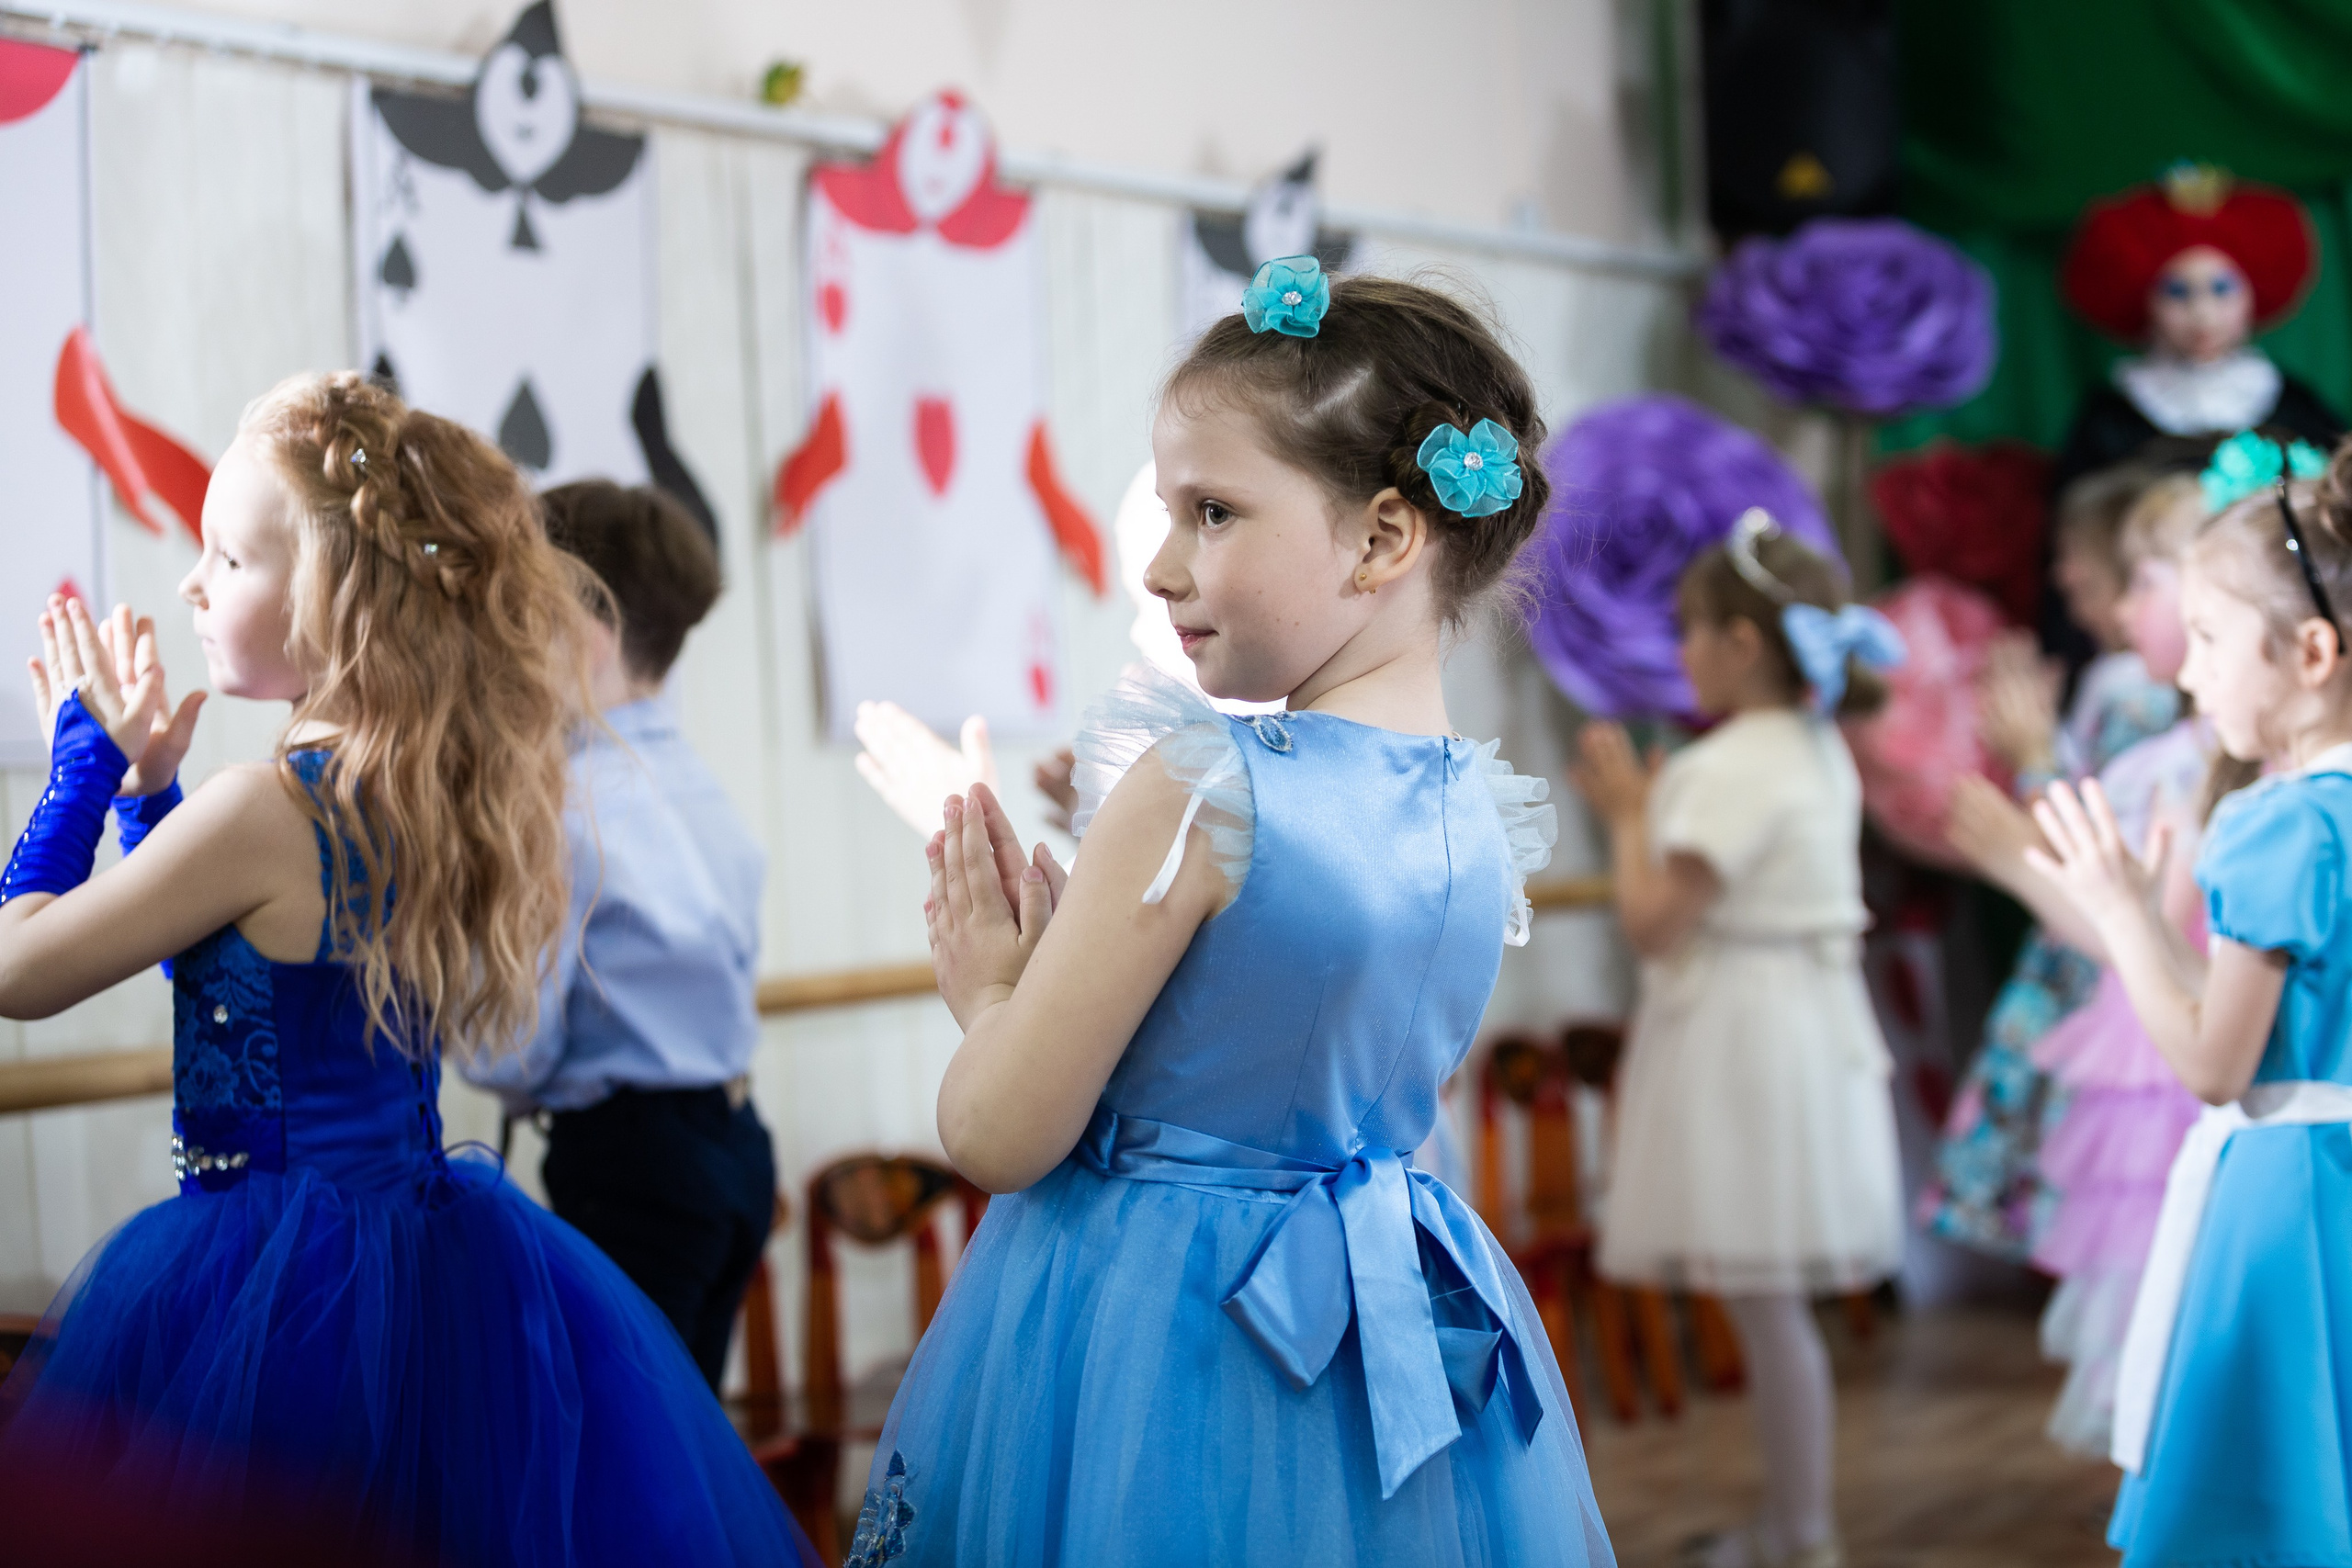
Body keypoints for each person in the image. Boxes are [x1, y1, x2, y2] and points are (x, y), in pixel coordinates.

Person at [847, 264, 1613, 1566]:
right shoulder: (1474, 811)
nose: (1156, 567)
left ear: (1381, 539)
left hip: (1162, 1332)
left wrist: (989, 987)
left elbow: (999, 1131)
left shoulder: (1203, 787)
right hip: (1371, 1338)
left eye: (1210, 513)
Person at [0, 374, 817, 1567]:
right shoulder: (417, 793)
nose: (190, 581)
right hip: (425, 1253)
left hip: (280, 1275)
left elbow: (19, 969)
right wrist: (150, 800)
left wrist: (80, 763)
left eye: (227, 559)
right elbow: (242, 974)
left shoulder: (258, 811)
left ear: (332, 598)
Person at [2032, 434, 2352, 1564]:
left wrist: (2120, 915)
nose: (2186, 673)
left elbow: (2219, 1067)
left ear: (2310, 652)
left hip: (2284, 1202)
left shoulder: (2282, 822)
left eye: (2211, 640)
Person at [1572, 510, 1906, 1568]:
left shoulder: (1729, 766)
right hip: (1801, 1026)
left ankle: (1801, 1533)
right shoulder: (1813, 746)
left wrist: (1627, 812)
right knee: (1772, 1313)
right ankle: (1792, 1524)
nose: (1678, 653)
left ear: (1742, 645)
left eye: (1688, 629)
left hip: (1751, 1042)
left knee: (1768, 1311)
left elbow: (1653, 921)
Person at [460, 479, 774, 1393]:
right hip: (736, 1144)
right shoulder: (698, 788)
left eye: (520, 618)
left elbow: (510, 1054)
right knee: (687, 1437)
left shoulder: (560, 808)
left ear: (581, 630)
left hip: (633, 1171)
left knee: (624, 1459)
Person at [1944, 463, 2225, 1454]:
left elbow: (2130, 924)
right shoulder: (2169, 757)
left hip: (2174, 1058)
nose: (2124, 598)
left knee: (2181, 1316)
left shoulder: (2197, 770)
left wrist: (2019, 868)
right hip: (2148, 1032)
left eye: (2147, 578)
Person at [1919, 464, 2181, 1261]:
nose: (2063, 575)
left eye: (2082, 562)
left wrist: (2035, 756)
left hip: (2112, 961)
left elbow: (2100, 829)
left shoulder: (2135, 689)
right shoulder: (2120, 685)